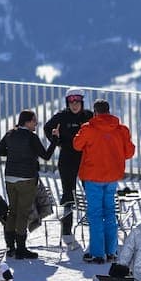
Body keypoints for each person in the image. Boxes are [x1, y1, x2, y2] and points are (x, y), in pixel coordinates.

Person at [74, 97, 135, 264]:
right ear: (109, 111)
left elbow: (77, 145)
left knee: (95, 214)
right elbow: (129, 152)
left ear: (95, 112)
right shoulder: (121, 129)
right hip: (112, 176)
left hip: (92, 176)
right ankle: (111, 251)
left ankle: (97, 253)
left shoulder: (88, 128)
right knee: (110, 212)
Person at [0, 109, 53, 260]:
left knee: (12, 211)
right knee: (23, 213)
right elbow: (46, 156)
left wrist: (14, 153)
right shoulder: (31, 137)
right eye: (34, 121)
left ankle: (10, 247)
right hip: (26, 178)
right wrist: (55, 141)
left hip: (10, 177)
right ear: (27, 122)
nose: (36, 124)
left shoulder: (10, 134)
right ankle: (21, 249)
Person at [43, 90, 91, 243]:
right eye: (71, 102)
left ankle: (93, 224)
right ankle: (66, 228)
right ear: (67, 103)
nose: (74, 105)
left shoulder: (88, 116)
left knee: (90, 191)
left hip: (85, 159)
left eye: (77, 102)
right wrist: (56, 140)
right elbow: (47, 128)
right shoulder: (61, 116)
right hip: (67, 158)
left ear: (82, 103)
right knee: (68, 193)